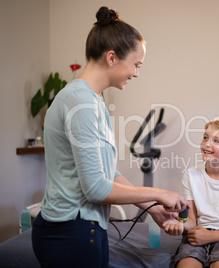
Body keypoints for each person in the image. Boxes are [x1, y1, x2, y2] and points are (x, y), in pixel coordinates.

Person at [31, 6, 188, 268]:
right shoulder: (79, 101)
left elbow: (108, 174)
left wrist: (153, 207)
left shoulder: (93, 101)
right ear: (112, 57)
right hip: (69, 234)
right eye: (136, 64)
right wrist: (160, 193)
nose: (137, 73)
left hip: (84, 230)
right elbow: (96, 189)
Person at [163, 118, 219, 268]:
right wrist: (179, 224)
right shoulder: (191, 175)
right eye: (205, 137)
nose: (206, 144)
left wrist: (211, 236)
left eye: (216, 141)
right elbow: (191, 221)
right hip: (197, 234)